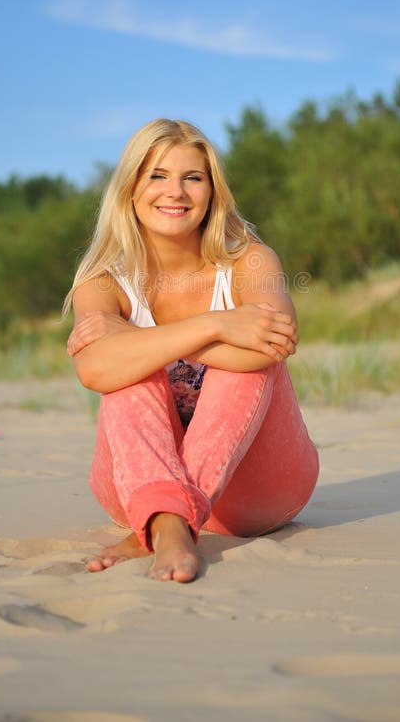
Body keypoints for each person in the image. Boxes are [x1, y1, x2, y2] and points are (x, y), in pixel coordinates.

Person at [64, 118, 319, 583]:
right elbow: (96, 371)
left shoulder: (250, 261)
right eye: (157, 175)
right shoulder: (102, 281)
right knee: (129, 374)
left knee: (231, 369)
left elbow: (267, 348)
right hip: (133, 487)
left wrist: (134, 338)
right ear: (130, 189)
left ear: (212, 191)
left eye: (193, 178)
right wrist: (217, 323)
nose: (175, 192)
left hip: (255, 493)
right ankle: (168, 521)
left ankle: (168, 522)